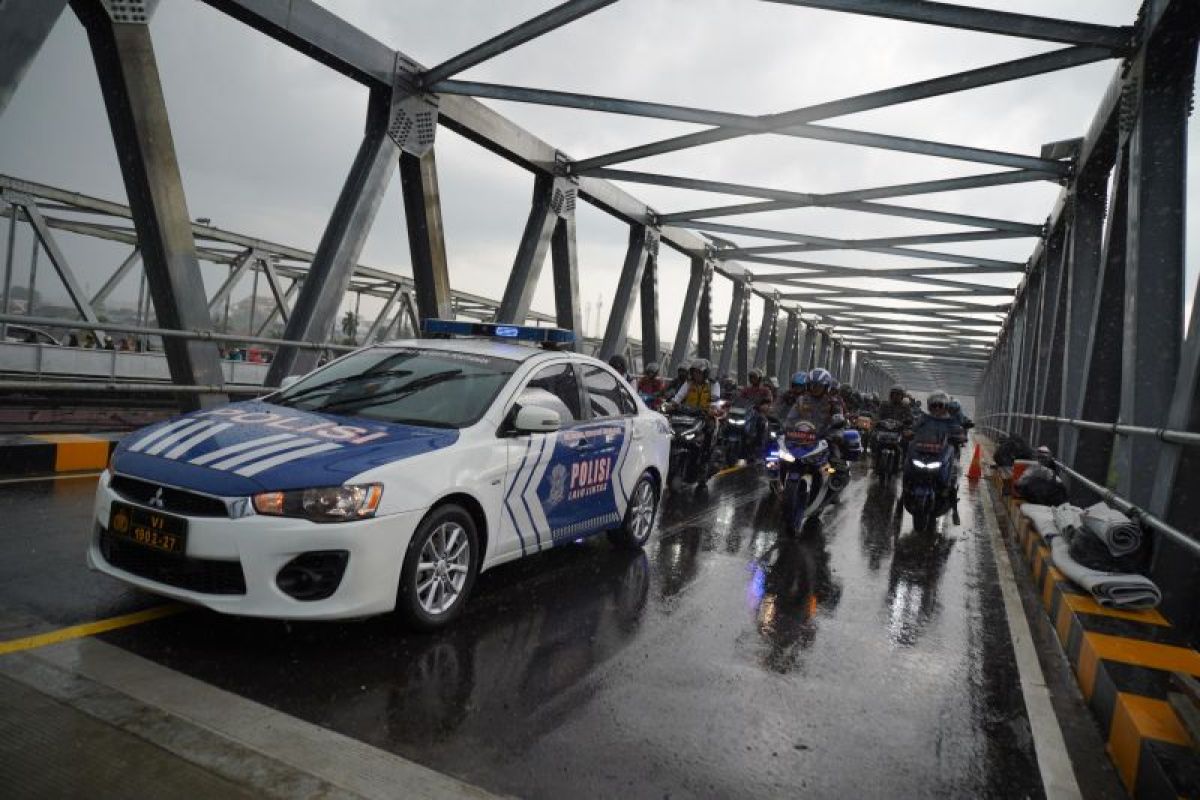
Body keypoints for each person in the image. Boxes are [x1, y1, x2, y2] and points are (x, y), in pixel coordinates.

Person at [671, 358, 722, 487]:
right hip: (688, 416)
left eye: (699, 372)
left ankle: (704, 463)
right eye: (694, 372)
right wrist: (671, 404)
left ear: (705, 373)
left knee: (709, 432)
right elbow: (678, 397)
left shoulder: (713, 384)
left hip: (705, 417)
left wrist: (713, 408)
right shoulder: (688, 383)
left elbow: (715, 400)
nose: (696, 375)